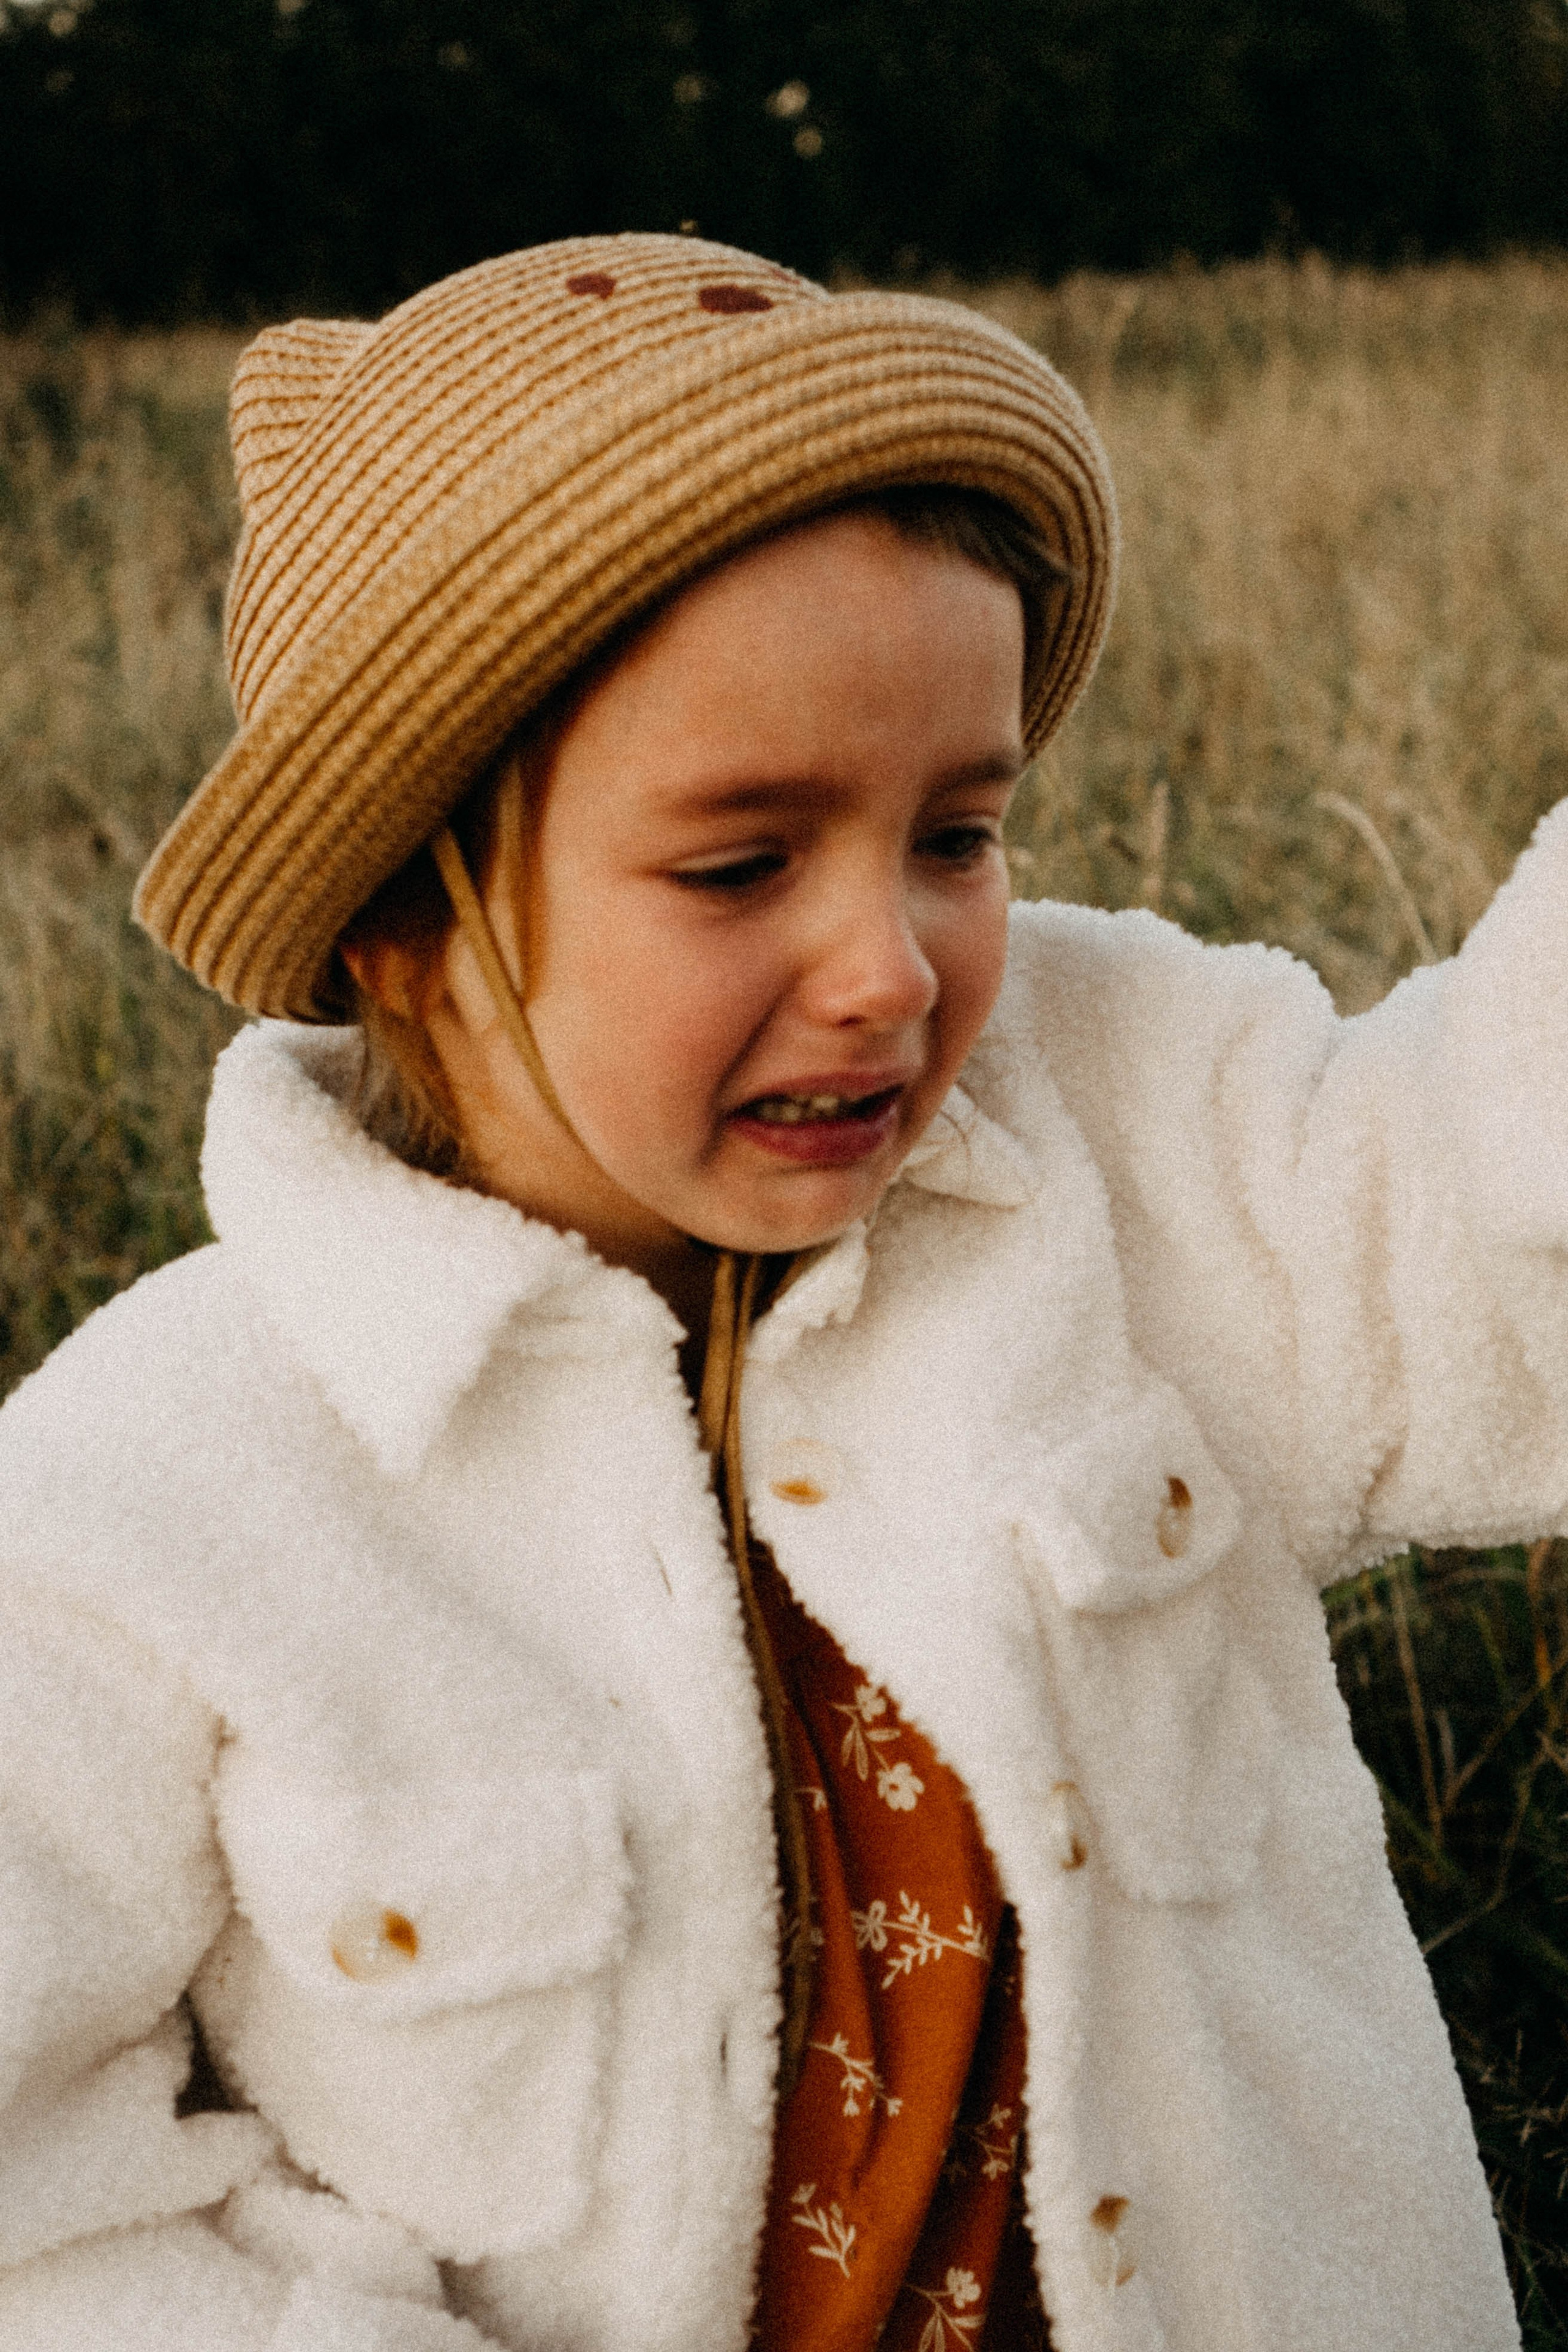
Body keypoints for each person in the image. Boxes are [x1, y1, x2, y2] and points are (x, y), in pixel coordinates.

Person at [0, 231, 1545, 2352]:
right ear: (399, 917)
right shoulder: (155, 1494)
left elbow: (1485, 1220)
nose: (894, 971)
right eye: (741, 863)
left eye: (959, 832)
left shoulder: (1114, 1151)